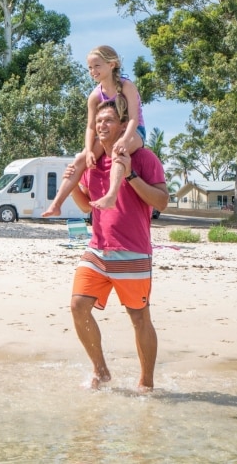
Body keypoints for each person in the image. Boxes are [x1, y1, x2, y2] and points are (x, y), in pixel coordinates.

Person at [67, 100, 167, 392]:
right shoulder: (93, 163)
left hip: (133, 252)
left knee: (139, 318)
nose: (102, 126)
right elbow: (86, 204)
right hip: (97, 249)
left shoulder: (145, 158)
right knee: (77, 306)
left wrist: (131, 175)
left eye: (109, 120)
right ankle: (101, 371)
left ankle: (146, 382)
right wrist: (72, 184)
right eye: (99, 122)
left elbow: (161, 201)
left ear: (124, 126)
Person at [42, 45, 145, 217]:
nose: (92, 71)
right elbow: (91, 127)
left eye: (97, 66)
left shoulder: (127, 86)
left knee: (118, 151)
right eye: (90, 67)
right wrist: (89, 150)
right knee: (81, 158)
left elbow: (134, 118)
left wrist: (125, 140)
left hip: (133, 131)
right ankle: (56, 204)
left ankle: (111, 196)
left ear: (111, 65)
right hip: (107, 132)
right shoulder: (95, 96)